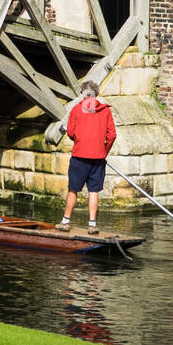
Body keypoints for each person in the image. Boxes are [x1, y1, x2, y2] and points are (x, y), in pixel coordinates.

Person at [57, 80, 116, 234]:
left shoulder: (76, 110)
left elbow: (70, 132)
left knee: (73, 189)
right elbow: (112, 136)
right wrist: (104, 151)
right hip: (98, 158)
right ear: (96, 94)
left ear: (84, 94)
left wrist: (79, 139)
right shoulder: (106, 111)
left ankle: (65, 222)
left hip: (79, 157)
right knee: (93, 191)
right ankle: (92, 224)